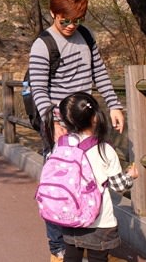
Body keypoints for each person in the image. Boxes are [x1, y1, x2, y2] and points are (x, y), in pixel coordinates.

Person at [28, 0, 125, 261]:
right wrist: (51, 122)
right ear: (52, 14)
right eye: (65, 20)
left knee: (91, 181)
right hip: (58, 124)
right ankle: (58, 248)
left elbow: (100, 73)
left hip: (86, 120)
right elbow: (39, 88)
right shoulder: (43, 44)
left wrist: (114, 104)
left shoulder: (86, 35)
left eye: (76, 20)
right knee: (58, 188)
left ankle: (89, 241)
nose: (71, 26)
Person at [57, 92, 138, 262]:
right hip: (99, 221)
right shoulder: (104, 150)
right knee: (98, 258)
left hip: (70, 216)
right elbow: (118, 186)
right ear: (95, 118)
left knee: (71, 257)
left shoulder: (62, 145)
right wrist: (130, 175)